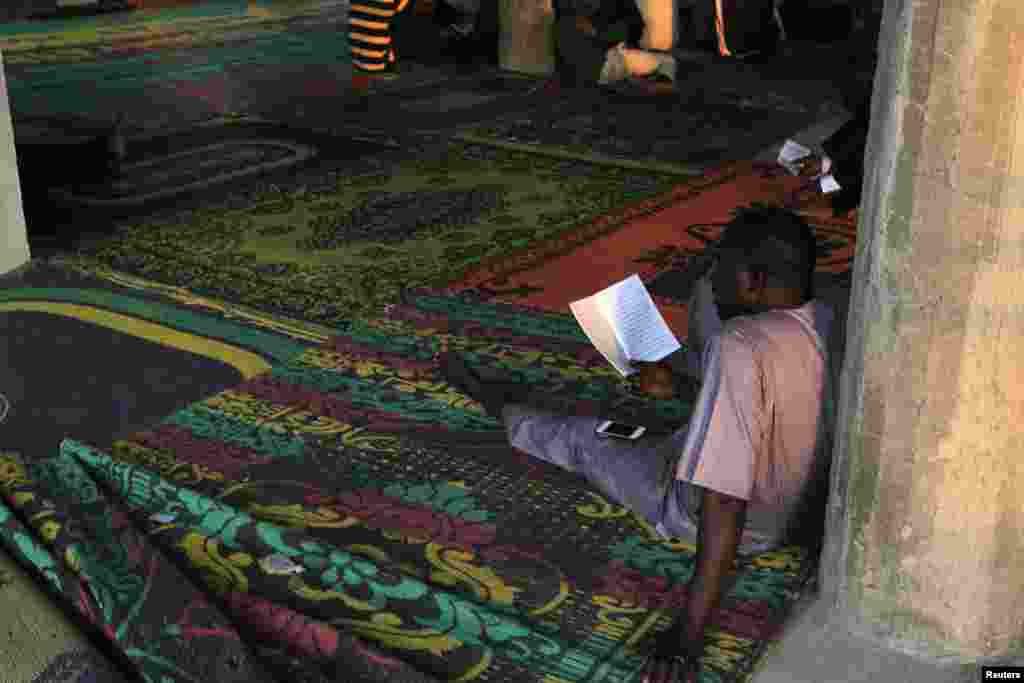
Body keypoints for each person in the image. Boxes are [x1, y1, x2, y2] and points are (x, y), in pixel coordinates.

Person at [439, 205, 840, 683]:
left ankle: (495, 402)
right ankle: (663, 413)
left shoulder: (740, 344)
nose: (713, 282)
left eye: (722, 270)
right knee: (669, 422)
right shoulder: (830, 316)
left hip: (747, 521)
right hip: (807, 507)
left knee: (585, 440)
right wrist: (687, 390)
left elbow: (724, 501)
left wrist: (687, 635)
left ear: (753, 279)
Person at [554, 0, 677, 89]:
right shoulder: (567, 12)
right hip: (594, 61)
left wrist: (600, 32)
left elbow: (635, 26)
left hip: (616, 51)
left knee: (666, 64)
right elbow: (566, 26)